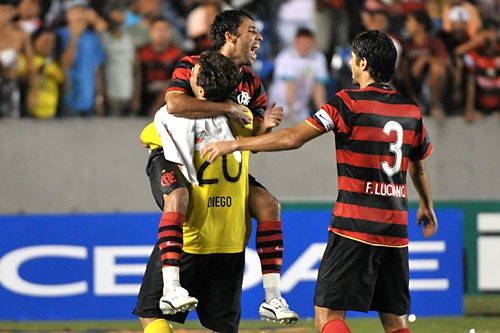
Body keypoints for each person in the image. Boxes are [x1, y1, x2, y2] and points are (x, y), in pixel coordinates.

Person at [201, 30, 438, 333]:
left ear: (363, 63)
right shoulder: (411, 110)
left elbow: (292, 138)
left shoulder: (346, 103)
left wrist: (233, 145)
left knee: (327, 316)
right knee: (394, 320)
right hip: (395, 230)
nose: (350, 65)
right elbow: (418, 169)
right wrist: (427, 205)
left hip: (354, 227)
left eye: (353, 59)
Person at [142, 8, 298, 327]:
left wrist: (264, 126)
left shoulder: (253, 83)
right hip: (179, 156)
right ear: (231, 36)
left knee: (269, 204)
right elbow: (174, 104)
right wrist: (227, 108)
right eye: (252, 30)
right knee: (179, 197)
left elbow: (251, 138)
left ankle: (273, 297)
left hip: (223, 161)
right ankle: (172, 286)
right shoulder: (192, 65)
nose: (260, 37)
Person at [134, 50, 255, 333]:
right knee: (223, 327)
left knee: (152, 315)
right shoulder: (244, 118)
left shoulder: (169, 120)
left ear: (198, 86)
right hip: (231, 240)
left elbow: (145, 138)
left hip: (190, 239)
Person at [268, 27, 329, 123]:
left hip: (301, 109)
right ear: (295, 42)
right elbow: (290, 86)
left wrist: (324, 113)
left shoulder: (319, 58)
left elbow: (319, 88)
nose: (304, 47)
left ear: (313, 43)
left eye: (307, 44)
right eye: (301, 44)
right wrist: (291, 112)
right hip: (280, 107)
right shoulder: (285, 57)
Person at [56, 0, 105, 116]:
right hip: (67, 98)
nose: (80, 16)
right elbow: (65, 64)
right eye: (76, 11)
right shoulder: (59, 34)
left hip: (89, 100)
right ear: (67, 15)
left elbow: (97, 70)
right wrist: (74, 37)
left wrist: (99, 97)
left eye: (83, 12)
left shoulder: (93, 37)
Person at [135, 16, 184, 117]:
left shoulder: (176, 53)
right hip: (144, 96)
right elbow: (136, 76)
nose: (162, 33)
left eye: (165, 29)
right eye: (158, 29)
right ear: (150, 32)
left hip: (167, 98)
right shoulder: (141, 52)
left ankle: (153, 113)